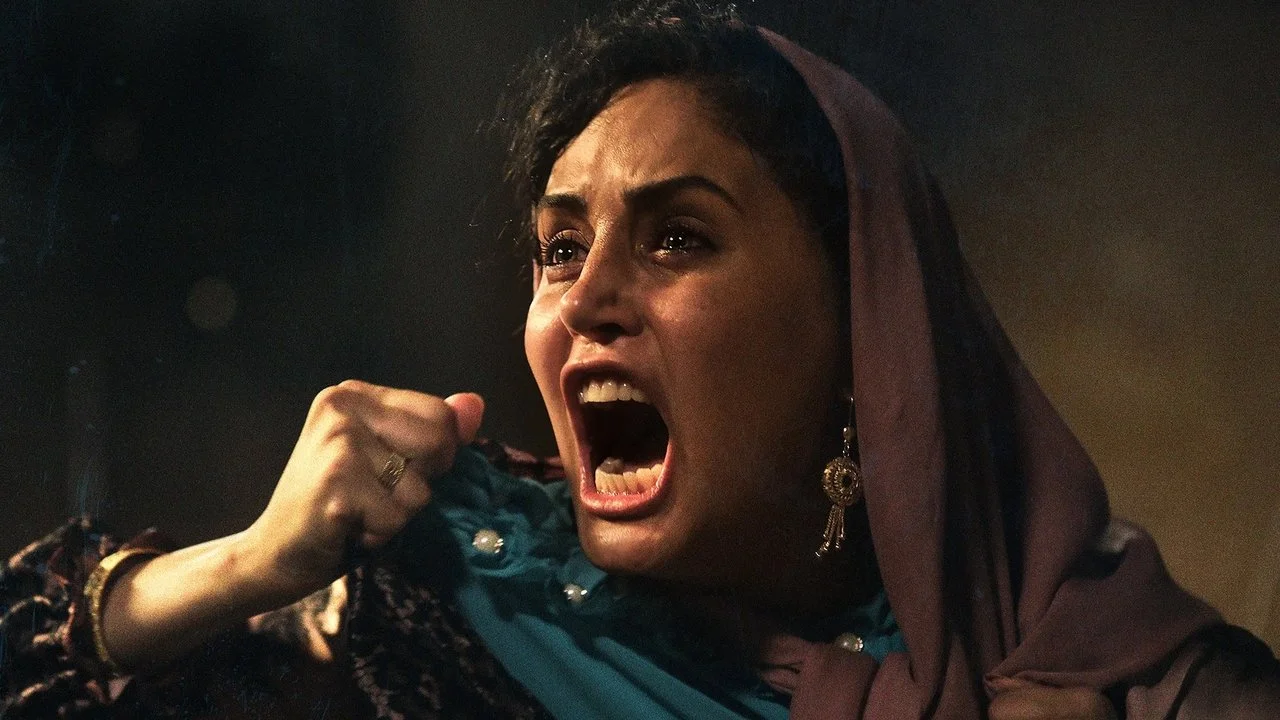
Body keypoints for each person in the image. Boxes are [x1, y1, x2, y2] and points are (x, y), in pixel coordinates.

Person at [2, 1, 1277, 718]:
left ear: (865, 330)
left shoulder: (1122, 672)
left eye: (675, 238)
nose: (586, 300)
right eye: (558, 251)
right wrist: (250, 563)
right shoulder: (453, 614)